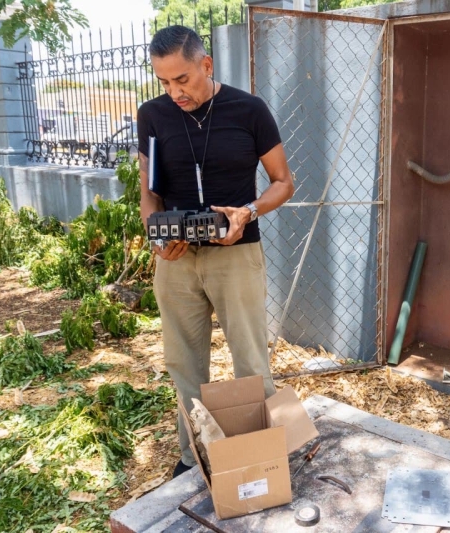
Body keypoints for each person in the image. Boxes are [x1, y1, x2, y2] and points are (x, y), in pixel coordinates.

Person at [137, 26, 295, 478]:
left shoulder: (249, 110)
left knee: (250, 359)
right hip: (177, 259)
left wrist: (247, 211)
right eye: (164, 82)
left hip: (236, 253)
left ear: (206, 65)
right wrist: (156, 233)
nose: (174, 92)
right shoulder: (152, 115)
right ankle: (194, 459)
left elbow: (284, 183)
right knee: (183, 362)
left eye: (182, 80)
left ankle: (264, 456)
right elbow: (150, 191)